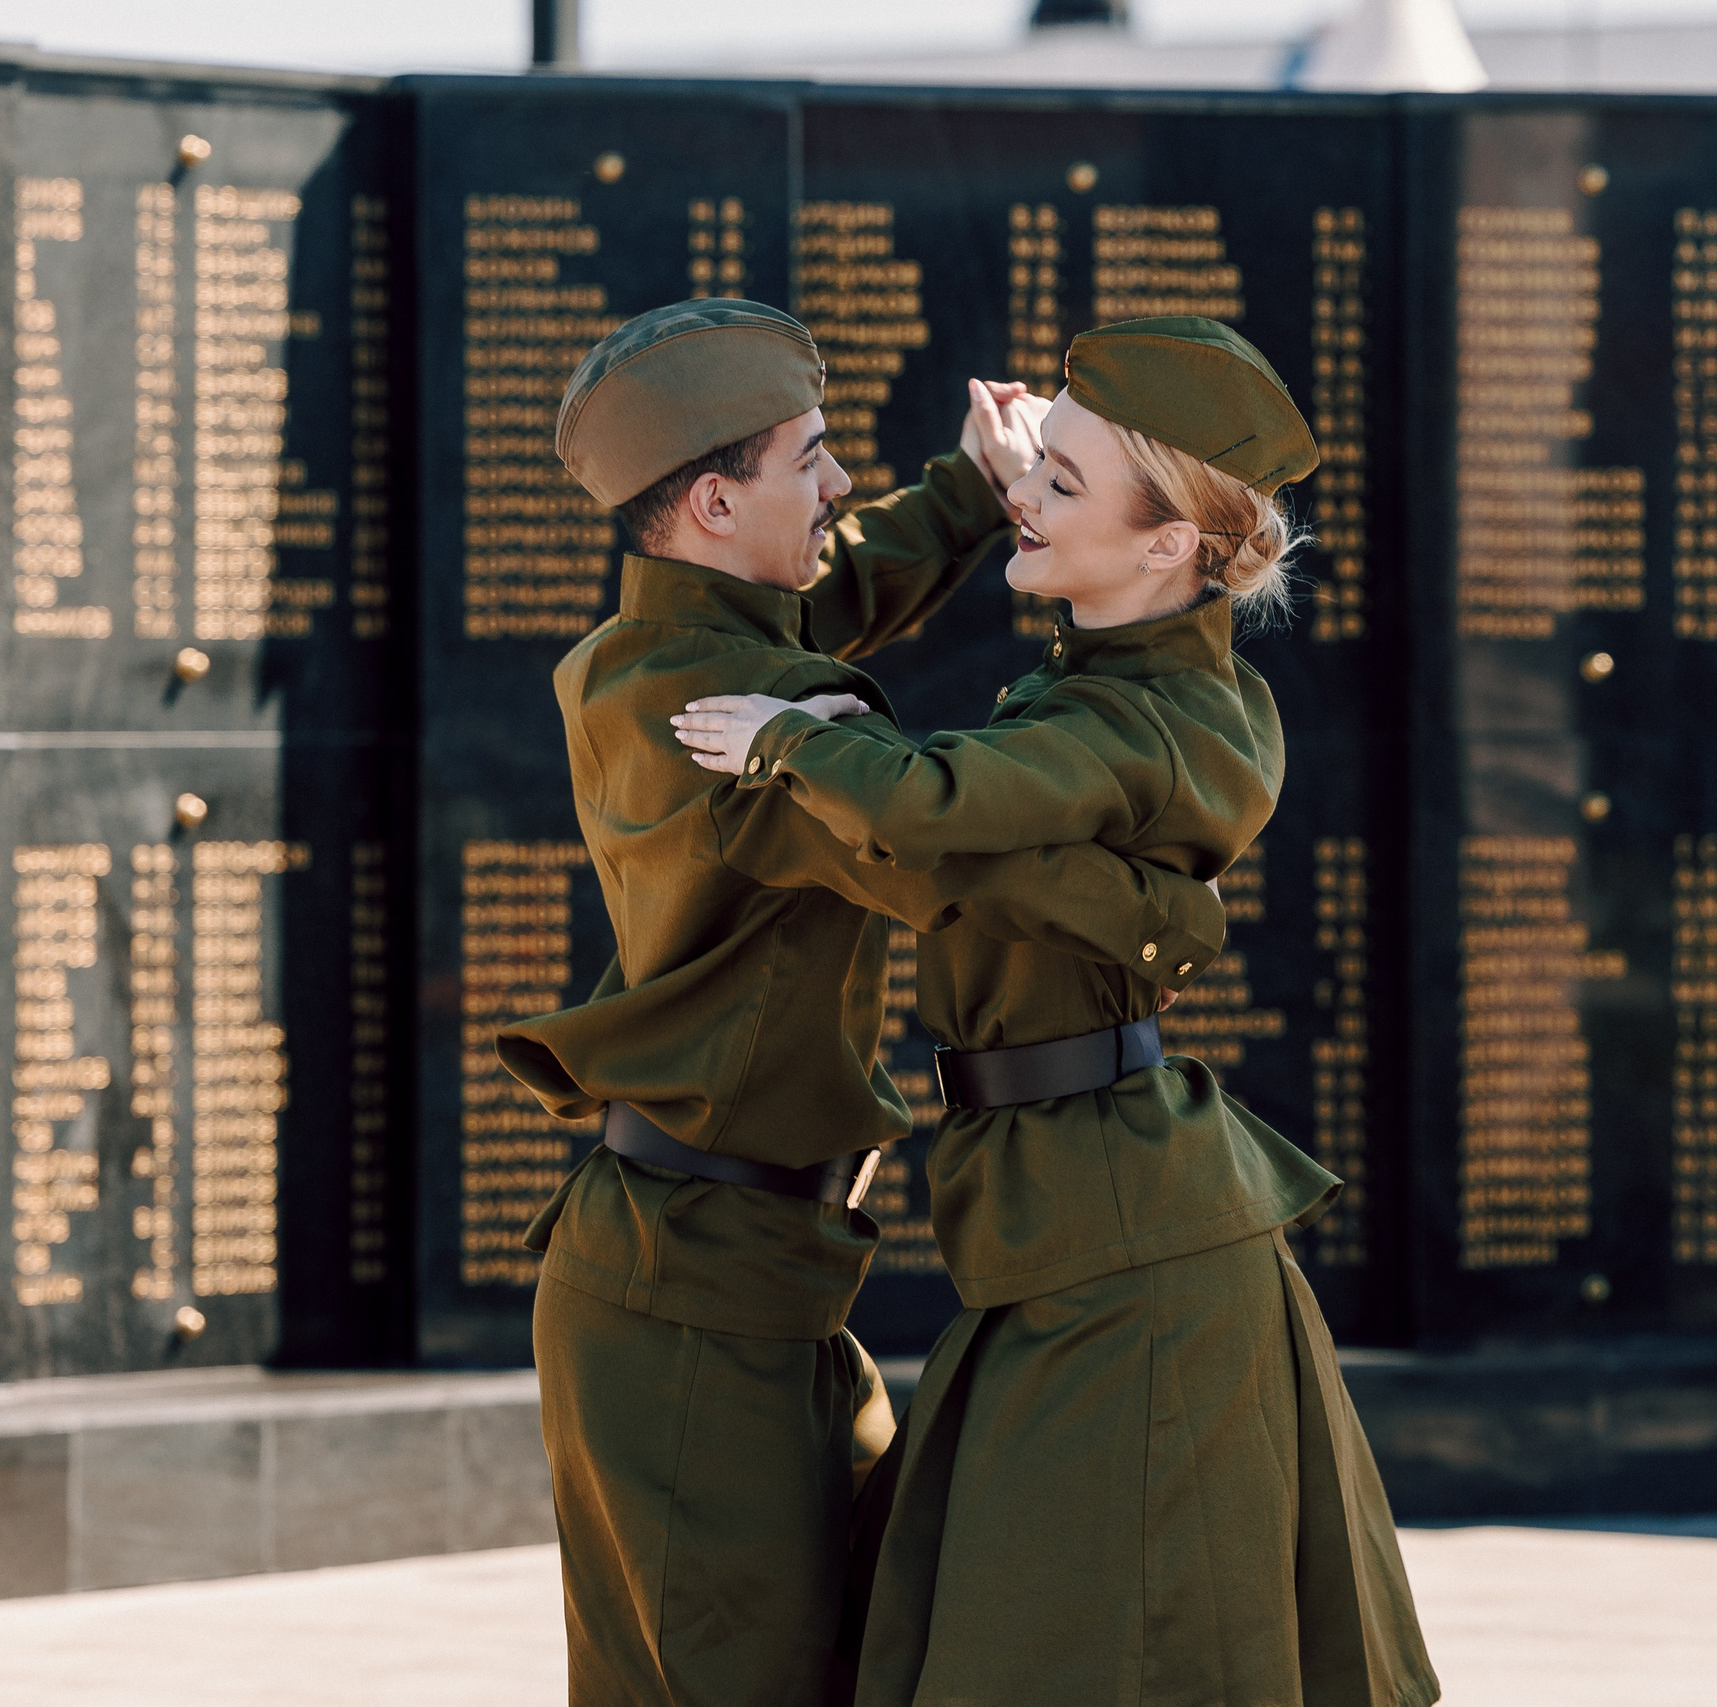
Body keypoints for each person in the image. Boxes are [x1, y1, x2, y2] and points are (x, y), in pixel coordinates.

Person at [673, 317, 1438, 1707]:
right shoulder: (1134, 676)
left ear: (1168, 544)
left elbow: (938, 804)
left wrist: (795, 740)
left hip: (1120, 1246)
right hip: (1077, 1220)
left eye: (1062, 483)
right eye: (1041, 464)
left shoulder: (1147, 720)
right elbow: (995, 841)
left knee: (1080, 1655)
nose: (1026, 495)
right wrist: (1024, 475)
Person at [495, 299, 1229, 1707]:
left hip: (746, 1258)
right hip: (696, 1281)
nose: (839, 485)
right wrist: (1178, 912)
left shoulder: (673, 651)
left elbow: (838, 586)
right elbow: (947, 864)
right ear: (717, 504)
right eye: (811, 458)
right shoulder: (721, 719)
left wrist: (975, 489)